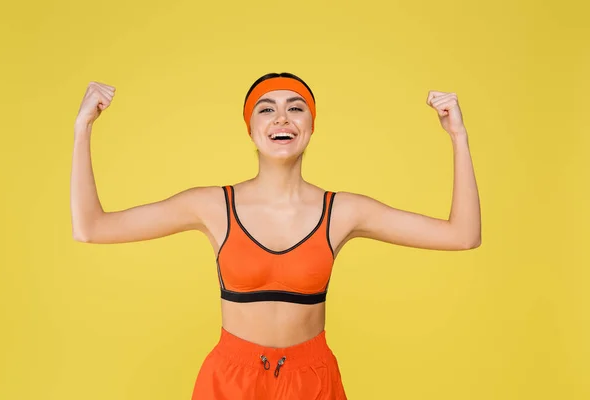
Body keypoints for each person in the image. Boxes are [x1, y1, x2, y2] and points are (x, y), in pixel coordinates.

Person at [70, 72, 481, 399]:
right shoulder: (211, 206)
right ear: (250, 128)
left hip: (312, 380)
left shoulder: (344, 211)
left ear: (311, 126)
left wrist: (458, 137)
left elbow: (462, 235)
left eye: (296, 108)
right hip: (229, 382)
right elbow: (92, 228)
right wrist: (82, 128)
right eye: (266, 109)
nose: (282, 118)